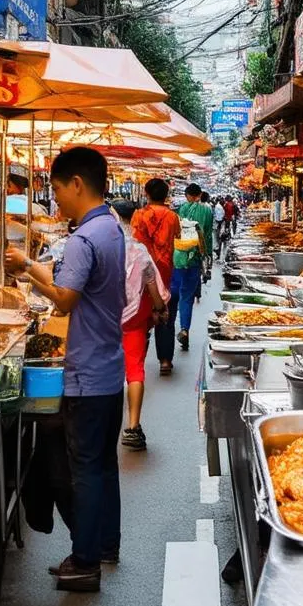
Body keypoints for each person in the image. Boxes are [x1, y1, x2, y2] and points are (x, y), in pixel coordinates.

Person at [5, 147, 125, 593]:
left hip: (88, 371)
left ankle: (85, 559)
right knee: (103, 466)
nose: (55, 198)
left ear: (77, 183)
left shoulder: (84, 237)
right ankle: (105, 544)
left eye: (56, 188)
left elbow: (66, 297)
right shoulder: (111, 227)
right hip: (108, 366)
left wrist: (29, 269)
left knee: (86, 469)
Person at [115, 202, 170, 450]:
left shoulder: (101, 248)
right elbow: (152, 288)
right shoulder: (139, 252)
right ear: (134, 218)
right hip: (134, 320)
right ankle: (133, 427)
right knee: (135, 370)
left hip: (102, 320)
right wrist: (160, 309)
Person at [131, 178, 181, 375]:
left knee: (142, 311)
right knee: (165, 313)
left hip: (143, 270)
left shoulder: (139, 215)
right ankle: (165, 360)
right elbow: (176, 237)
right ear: (166, 195)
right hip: (165, 269)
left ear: (146, 193)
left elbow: (135, 241)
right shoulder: (172, 216)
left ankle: (138, 359)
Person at [173, 182, 214, 352]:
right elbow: (208, 235)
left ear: (188, 195)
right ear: (199, 194)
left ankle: (170, 329)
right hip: (196, 259)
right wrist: (208, 257)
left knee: (175, 294)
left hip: (178, 258)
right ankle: (184, 328)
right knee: (187, 298)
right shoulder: (207, 210)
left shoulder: (180, 209)